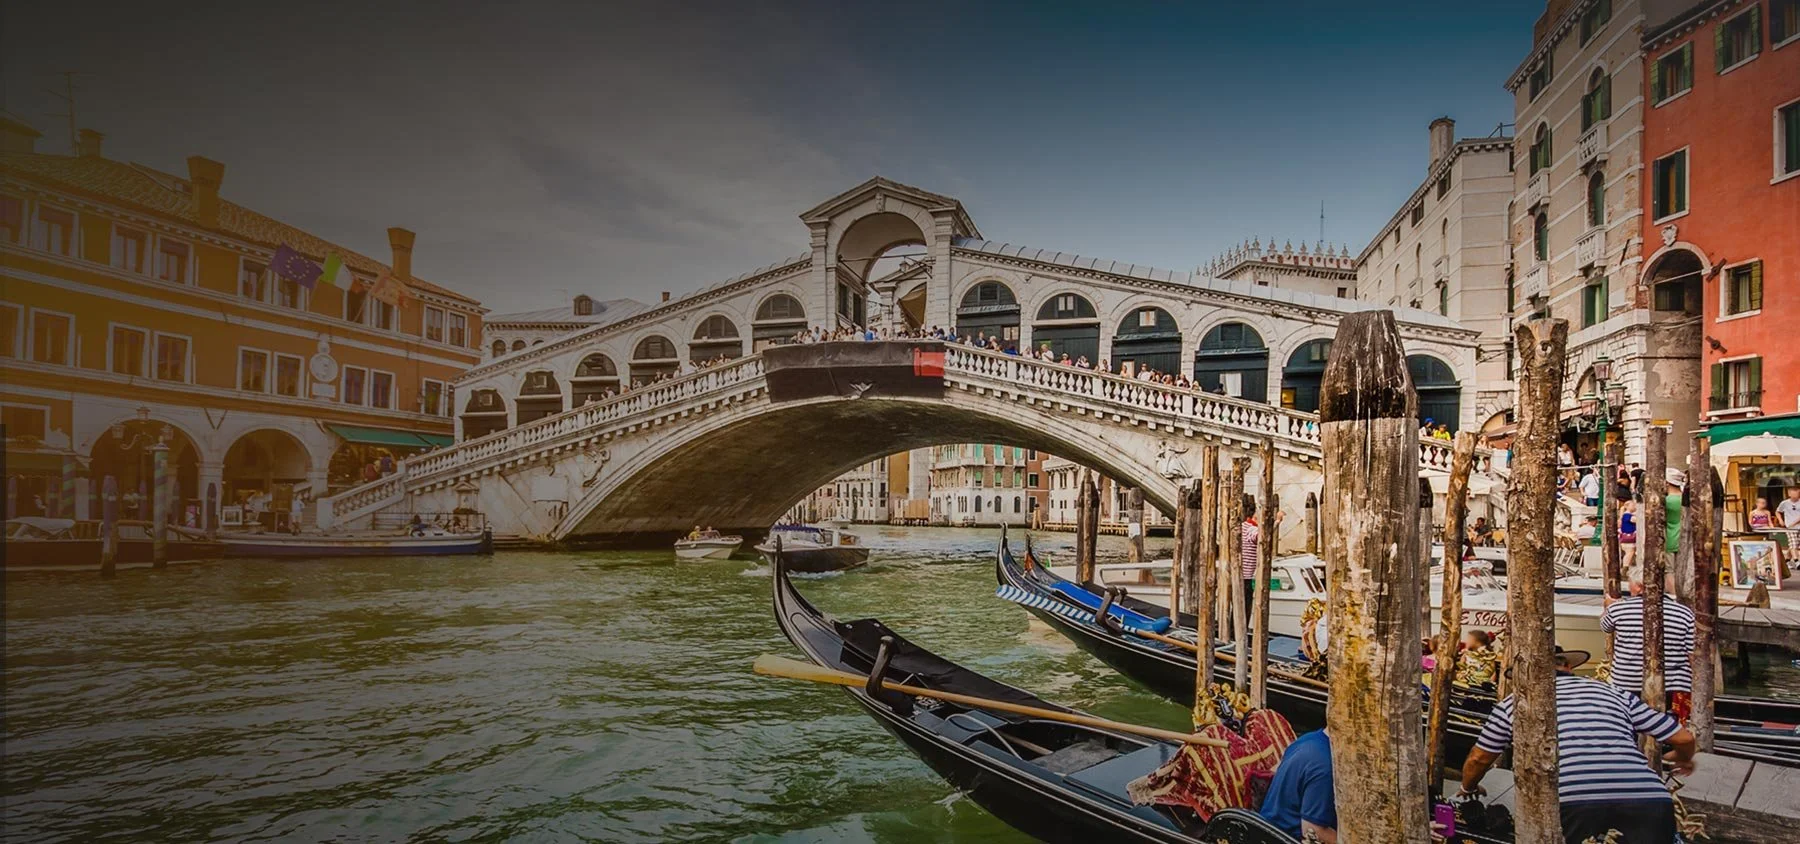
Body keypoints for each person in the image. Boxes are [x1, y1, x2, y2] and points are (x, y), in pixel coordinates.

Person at [1461, 647, 1695, 843]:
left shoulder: (1514, 704)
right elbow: (1684, 738)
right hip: (1649, 799)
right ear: (1567, 666)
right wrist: (1681, 757)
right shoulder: (1614, 693)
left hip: (1573, 802)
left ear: (1524, 675)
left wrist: (1469, 788)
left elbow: (1478, 759)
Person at [1602, 571, 1697, 720]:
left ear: (1639, 587)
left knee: (1629, 724)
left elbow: (1606, 627)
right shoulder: (1684, 613)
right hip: (1675, 683)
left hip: (1627, 682)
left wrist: (1608, 607)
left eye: (1630, 584)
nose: (1629, 588)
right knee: (1674, 728)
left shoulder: (1617, 609)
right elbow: (1693, 654)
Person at [1258, 728, 1336, 842]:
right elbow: (1313, 830)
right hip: (1285, 838)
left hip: (1267, 828)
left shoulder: (1308, 739)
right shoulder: (1327, 768)